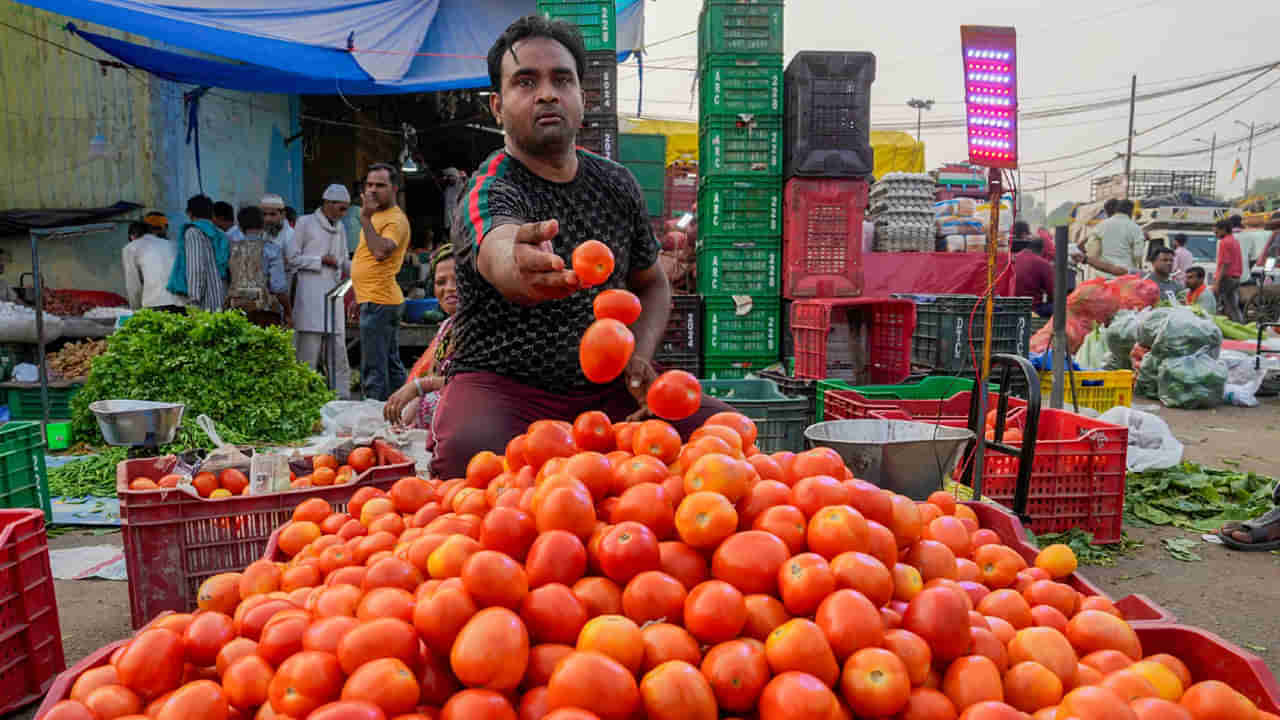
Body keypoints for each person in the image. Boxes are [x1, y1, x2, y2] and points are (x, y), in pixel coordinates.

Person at [430, 14, 736, 480]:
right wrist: (516, 265)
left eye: (561, 80)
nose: (547, 93)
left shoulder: (617, 184)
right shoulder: (490, 187)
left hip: (608, 389)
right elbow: (496, 244)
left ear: (582, 99)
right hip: (505, 388)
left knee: (727, 437)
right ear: (497, 105)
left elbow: (652, 283)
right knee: (468, 463)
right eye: (526, 82)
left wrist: (637, 360)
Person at [351, 162, 412, 401]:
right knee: (389, 363)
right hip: (375, 299)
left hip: (380, 300)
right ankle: (401, 413)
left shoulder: (395, 219)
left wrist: (365, 217)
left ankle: (373, 419)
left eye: (380, 185)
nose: (373, 190)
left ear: (394, 189)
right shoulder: (378, 216)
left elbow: (379, 252)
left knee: (374, 369)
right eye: (369, 185)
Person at [384, 244, 459, 434]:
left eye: (457, 280)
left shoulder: (482, 328)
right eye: (441, 282)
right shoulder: (446, 328)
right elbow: (434, 375)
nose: (449, 288)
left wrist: (419, 386)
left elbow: (471, 384)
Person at [292, 184, 354, 398]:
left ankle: (341, 400)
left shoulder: (341, 228)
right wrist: (319, 261)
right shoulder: (304, 223)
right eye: (341, 208)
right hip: (310, 297)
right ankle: (304, 400)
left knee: (338, 353)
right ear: (327, 204)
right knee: (307, 356)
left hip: (334, 295)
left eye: (346, 209)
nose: (344, 214)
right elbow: (291, 259)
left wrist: (363, 270)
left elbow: (344, 259)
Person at [226, 207, 290, 327]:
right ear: (263, 225)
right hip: (265, 312)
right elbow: (279, 288)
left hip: (237, 310)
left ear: (240, 227)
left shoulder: (230, 249)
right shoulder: (272, 249)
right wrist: (288, 313)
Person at [167, 194, 228, 311]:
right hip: (221, 297)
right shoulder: (220, 234)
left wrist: (194, 299)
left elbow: (195, 268)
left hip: (205, 301)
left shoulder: (194, 232)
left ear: (189, 213)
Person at [122, 212, 188, 313]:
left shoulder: (131, 248)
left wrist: (136, 310)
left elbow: (133, 286)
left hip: (154, 304)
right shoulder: (174, 245)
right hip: (181, 304)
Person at [1084, 197, 1144, 278]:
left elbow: (1091, 250)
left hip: (1103, 276)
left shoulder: (1101, 225)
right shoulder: (1135, 228)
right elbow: (1138, 254)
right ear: (1131, 211)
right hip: (1125, 276)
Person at [1011, 223, 1054, 318]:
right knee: (1060, 307)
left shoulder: (1013, 258)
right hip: (1033, 309)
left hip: (1010, 308)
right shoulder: (1043, 263)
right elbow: (1052, 293)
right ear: (1042, 250)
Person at [1213, 218, 1244, 322]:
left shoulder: (1224, 242)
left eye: (1216, 231)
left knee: (1215, 304)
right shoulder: (1235, 241)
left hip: (1226, 278)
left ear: (1224, 230)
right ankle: (1239, 326)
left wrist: (1217, 282)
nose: (1215, 234)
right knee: (1232, 306)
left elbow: (1225, 263)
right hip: (1236, 277)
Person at [260, 194, 296, 266]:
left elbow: (293, 263)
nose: (267, 219)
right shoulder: (264, 233)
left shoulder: (291, 235)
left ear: (283, 214)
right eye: (264, 214)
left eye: (272, 214)